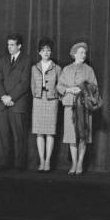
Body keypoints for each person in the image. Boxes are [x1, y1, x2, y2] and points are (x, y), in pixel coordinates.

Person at [57, 42, 98, 175]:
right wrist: (69, 89)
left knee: (82, 136)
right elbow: (59, 86)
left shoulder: (89, 70)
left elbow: (94, 87)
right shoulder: (67, 69)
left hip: (84, 106)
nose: (83, 55)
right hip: (70, 106)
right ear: (74, 54)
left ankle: (80, 163)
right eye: (81, 52)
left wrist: (81, 89)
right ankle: (74, 163)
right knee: (71, 137)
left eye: (85, 53)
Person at [0, 33, 31, 171]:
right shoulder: (2, 60)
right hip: (3, 104)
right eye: (8, 44)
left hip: (18, 104)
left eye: (12, 45)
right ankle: (4, 163)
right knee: (3, 135)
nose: (9, 47)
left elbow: (24, 82)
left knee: (18, 136)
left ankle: (19, 165)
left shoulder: (26, 60)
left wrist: (11, 97)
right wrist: (3, 97)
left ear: (19, 46)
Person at [31, 38, 61, 172]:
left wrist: (55, 95)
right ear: (39, 52)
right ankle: (41, 160)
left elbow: (60, 85)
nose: (46, 52)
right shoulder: (34, 67)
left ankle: (48, 161)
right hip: (38, 100)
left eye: (48, 50)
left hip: (51, 100)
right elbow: (32, 84)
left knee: (49, 133)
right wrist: (37, 94)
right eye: (43, 50)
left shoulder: (57, 68)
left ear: (51, 52)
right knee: (39, 133)